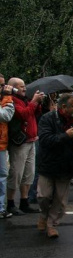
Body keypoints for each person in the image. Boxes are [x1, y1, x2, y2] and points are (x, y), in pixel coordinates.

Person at [36, 93, 73, 238]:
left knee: (61, 200)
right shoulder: (48, 118)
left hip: (66, 165)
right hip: (48, 164)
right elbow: (45, 140)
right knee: (43, 196)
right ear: (64, 107)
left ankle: (51, 225)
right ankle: (44, 215)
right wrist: (66, 135)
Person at [6, 77, 45, 216]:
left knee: (29, 174)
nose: (24, 89)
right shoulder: (11, 101)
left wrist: (38, 103)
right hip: (20, 143)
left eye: (24, 86)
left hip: (31, 141)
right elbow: (23, 114)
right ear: (14, 88)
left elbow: (34, 113)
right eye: (21, 86)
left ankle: (24, 201)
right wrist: (34, 101)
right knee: (16, 173)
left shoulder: (25, 99)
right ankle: (10, 203)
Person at [0, 78, 15, 219]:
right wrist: (8, 96)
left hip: (2, 144)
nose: (4, 87)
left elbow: (7, 115)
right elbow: (4, 115)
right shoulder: (6, 99)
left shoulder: (3, 100)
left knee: (2, 176)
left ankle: (1, 208)